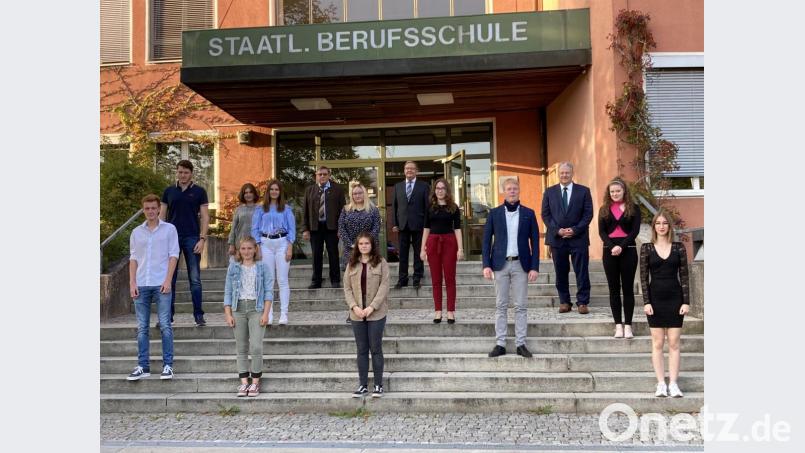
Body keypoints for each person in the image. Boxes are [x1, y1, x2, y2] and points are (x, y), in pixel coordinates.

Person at [482, 178, 540, 358]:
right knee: (501, 305)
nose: (512, 191)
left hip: (521, 265)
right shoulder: (494, 213)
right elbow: (486, 241)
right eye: (509, 189)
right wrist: (486, 265)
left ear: (519, 190)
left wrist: (534, 267)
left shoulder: (529, 213)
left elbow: (535, 242)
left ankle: (520, 344)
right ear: (504, 191)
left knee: (521, 306)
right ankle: (500, 344)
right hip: (500, 264)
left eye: (515, 188)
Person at [127, 194, 179, 381]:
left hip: (161, 284)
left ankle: (168, 366)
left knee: (165, 325)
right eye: (147, 208)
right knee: (142, 328)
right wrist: (132, 282)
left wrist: (168, 280)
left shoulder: (169, 229)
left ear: (159, 209)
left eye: (153, 208)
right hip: (141, 284)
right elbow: (133, 258)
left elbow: (174, 255)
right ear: (143, 210)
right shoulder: (136, 232)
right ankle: (143, 366)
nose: (150, 211)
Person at [640, 210, 691, 398]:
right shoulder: (646, 248)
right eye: (658, 223)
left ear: (669, 226)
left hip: (675, 299)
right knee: (658, 343)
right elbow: (643, 278)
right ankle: (661, 383)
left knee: (674, 343)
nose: (661, 226)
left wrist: (686, 301)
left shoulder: (679, 248)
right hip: (655, 300)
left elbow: (684, 276)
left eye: (664, 223)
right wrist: (646, 302)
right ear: (654, 226)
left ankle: (674, 384)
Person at [540, 162, 593, 314]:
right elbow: (545, 214)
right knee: (560, 272)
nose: (564, 175)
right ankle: (564, 302)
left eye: (567, 173)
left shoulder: (584, 191)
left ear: (572, 173)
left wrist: (575, 230)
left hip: (579, 238)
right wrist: (557, 230)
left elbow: (588, 214)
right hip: (557, 239)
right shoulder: (549, 192)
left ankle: (582, 302)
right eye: (562, 173)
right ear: (558, 174)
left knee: (581, 271)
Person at [161, 159, 208, 327]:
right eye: (180, 172)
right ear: (177, 172)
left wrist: (202, 239)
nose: (183, 175)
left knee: (194, 279)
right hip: (171, 239)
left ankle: (198, 316)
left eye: (186, 172)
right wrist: (160, 239)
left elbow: (205, 217)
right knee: (170, 279)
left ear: (191, 174)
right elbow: (162, 216)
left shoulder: (200, 191)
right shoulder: (169, 191)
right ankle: (167, 317)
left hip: (192, 238)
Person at [223, 236, 273, 397]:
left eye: (249, 248)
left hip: (256, 309)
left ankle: (255, 383)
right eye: (243, 248)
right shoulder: (233, 268)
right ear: (239, 250)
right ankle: (244, 383)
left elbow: (268, 292)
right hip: (238, 309)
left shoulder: (263, 267)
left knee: (256, 346)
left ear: (255, 249)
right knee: (241, 347)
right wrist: (228, 313)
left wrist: (266, 313)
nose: (246, 251)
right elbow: (228, 291)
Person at [344, 232, 390, 398]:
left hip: (376, 313)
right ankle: (362, 385)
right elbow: (347, 288)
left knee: (375, 348)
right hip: (357, 313)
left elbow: (384, 286)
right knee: (362, 349)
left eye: (367, 243)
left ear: (372, 245)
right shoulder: (352, 263)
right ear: (357, 246)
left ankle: (378, 385)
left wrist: (372, 307)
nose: (364, 246)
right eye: (361, 244)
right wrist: (354, 307)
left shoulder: (381, 262)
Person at [598, 177, 642, 338]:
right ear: (608, 193)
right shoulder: (604, 209)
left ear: (624, 191)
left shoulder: (634, 208)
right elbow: (602, 232)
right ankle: (618, 326)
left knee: (628, 289)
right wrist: (612, 247)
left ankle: (628, 326)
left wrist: (621, 246)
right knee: (614, 289)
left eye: (618, 191)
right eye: (612, 191)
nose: (615, 194)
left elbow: (635, 231)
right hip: (609, 251)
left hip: (628, 250)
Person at [251, 179, 295, 325]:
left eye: (277, 189)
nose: (274, 192)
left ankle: (283, 314)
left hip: (282, 243)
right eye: (272, 189)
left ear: (280, 192)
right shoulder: (260, 209)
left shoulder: (286, 209)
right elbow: (254, 229)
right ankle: (268, 315)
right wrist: (257, 247)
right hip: (265, 244)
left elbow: (292, 229)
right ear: (268, 192)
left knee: (282, 280)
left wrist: (290, 247)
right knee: (268, 281)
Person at [420, 178, 463, 324]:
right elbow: (426, 228)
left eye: (442, 188)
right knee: (436, 279)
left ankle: (450, 311)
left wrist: (460, 248)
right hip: (433, 243)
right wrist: (422, 249)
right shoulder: (430, 208)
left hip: (449, 243)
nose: (440, 191)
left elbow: (457, 229)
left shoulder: (453, 208)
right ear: (434, 190)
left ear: (447, 190)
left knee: (450, 278)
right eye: (437, 188)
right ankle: (438, 310)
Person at [302, 166, 346, 289]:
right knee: (316, 255)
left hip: (332, 227)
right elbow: (305, 211)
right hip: (315, 228)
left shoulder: (337, 189)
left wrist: (341, 228)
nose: (322, 176)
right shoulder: (309, 190)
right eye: (319, 174)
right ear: (316, 176)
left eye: (325, 174)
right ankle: (316, 281)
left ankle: (335, 280)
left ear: (329, 175)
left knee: (333, 254)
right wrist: (305, 229)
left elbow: (343, 210)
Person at [391, 161, 430, 289]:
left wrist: (427, 225)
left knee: (418, 252)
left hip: (419, 224)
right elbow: (395, 206)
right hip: (402, 225)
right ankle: (402, 279)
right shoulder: (398, 186)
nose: (409, 170)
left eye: (412, 168)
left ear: (416, 171)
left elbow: (427, 207)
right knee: (403, 253)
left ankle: (417, 277)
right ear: (404, 171)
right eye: (407, 168)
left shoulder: (424, 186)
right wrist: (395, 223)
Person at [338, 181, 381, 271]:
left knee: (369, 273)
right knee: (352, 274)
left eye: (360, 193)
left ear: (364, 194)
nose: (357, 195)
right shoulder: (346, 209)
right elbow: (341, 228)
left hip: (369, 248)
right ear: (352, 196)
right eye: (355, 194)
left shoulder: (373, 210)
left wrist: (365, 243)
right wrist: (351, 244)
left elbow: (376, 227)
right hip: (351, 248)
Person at [227, 183, 260, 262]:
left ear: (254, 194)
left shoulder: (260, 209)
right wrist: (231, 245)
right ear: (243, 194)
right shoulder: (238, 209)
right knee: (237, 268)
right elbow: (233, 228)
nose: (248, 195)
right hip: (240, 245)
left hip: (255, 246)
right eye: (246, 193)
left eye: (250, 192)